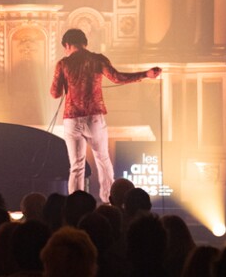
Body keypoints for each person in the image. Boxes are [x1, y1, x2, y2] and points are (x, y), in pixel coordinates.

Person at [50, 28, 160, 199]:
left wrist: (66, 83)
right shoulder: (97, 60)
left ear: (68, 44)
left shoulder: (63, 64)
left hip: (72, 118)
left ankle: (76, 202)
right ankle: (109, 199)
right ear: (84, 43)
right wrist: (145, 74)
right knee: (102, 159)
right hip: (94, 117)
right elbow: (117, 78)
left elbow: (55, 93)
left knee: (76, 165)